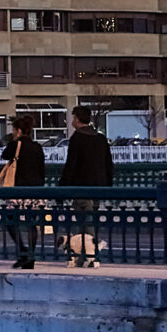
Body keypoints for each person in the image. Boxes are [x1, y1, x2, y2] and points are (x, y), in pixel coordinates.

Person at [60, 107, 115, 267]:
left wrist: (63, 187)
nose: (72, 122)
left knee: (84, 222)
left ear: (77, 119)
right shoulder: (100, 138)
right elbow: (108, 164)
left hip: (81, 186)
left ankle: (90, 256)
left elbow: (71, 165)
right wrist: (108, 185)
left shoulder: (78, 138)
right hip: (98, 186)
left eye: (73, 118)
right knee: (91, 221)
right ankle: (84, 255)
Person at [0, 114, 48, 268]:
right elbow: (42, 169)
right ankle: (30, 255)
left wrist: (14, 142)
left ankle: (23, 250)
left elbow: (4, 155)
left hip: (18, 189)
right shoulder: (37, 147)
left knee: (11, 220)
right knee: (32, 224)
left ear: (18, 131)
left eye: (14, 130)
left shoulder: (15, 145)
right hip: (35, 190)